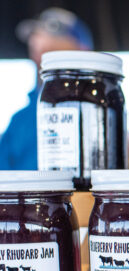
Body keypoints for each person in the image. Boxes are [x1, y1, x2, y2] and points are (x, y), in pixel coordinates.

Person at [0, 8, 94, 170]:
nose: (37, 43)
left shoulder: (103, 108)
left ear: (83, 49)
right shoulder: (19, 122)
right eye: (38, 49)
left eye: (53, 48)